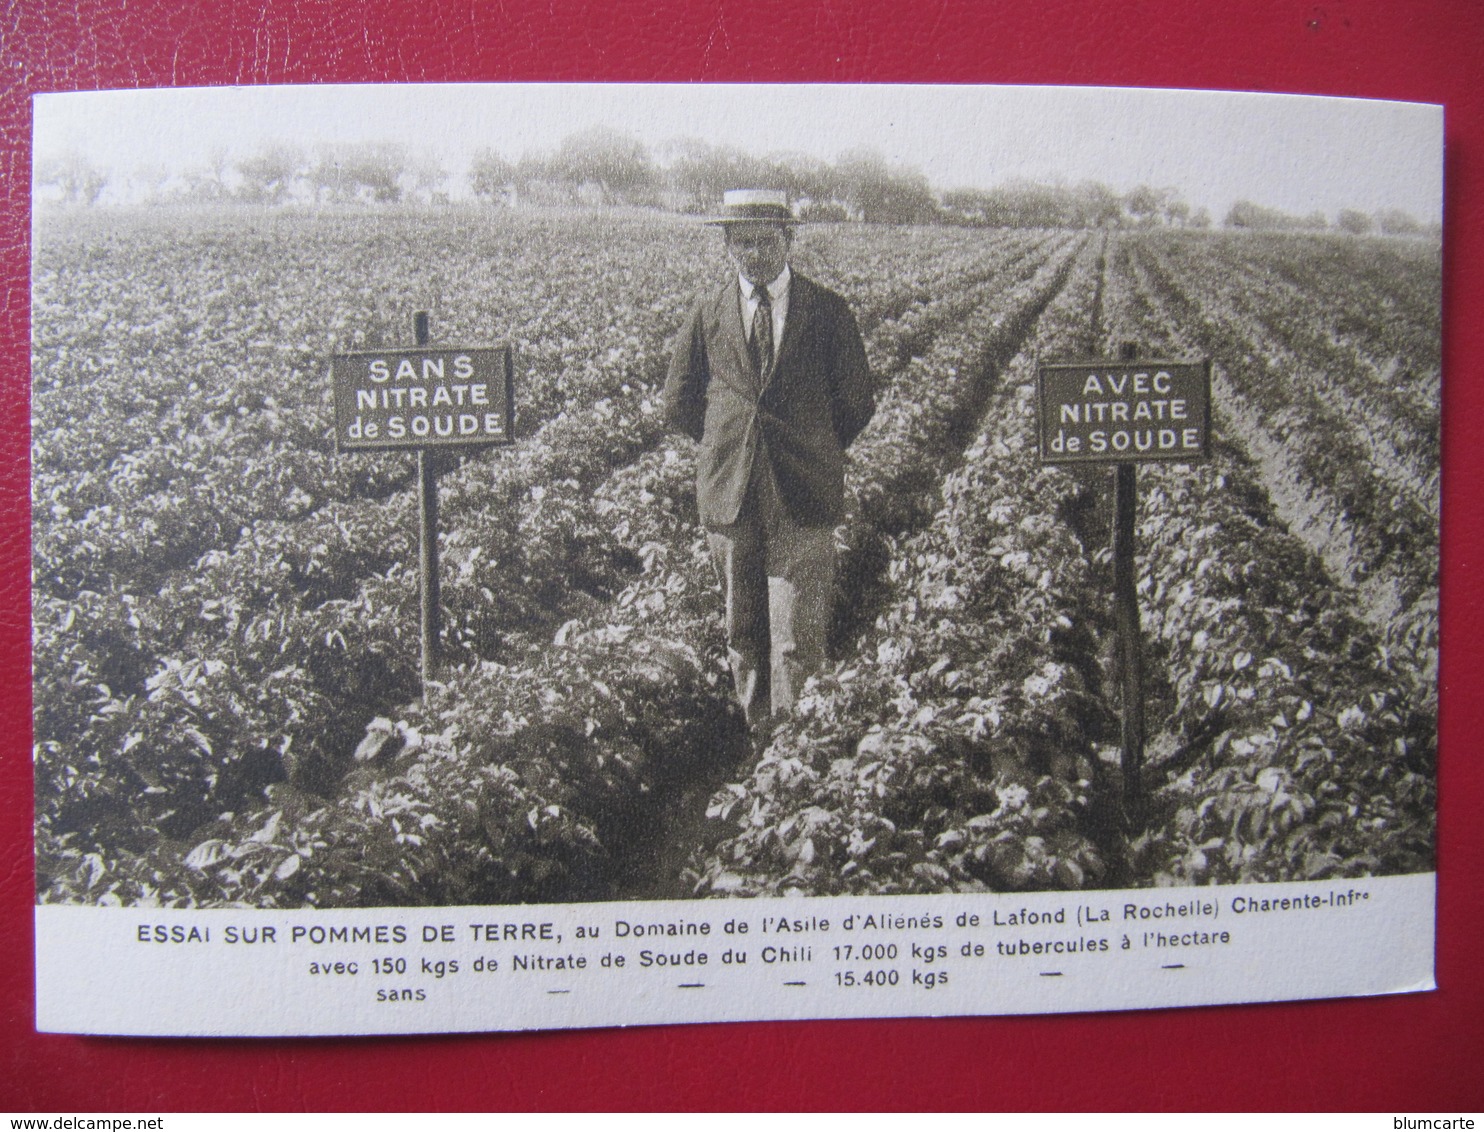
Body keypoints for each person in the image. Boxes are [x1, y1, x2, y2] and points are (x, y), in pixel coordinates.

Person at [663, 189, 875, 750]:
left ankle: (796, 744)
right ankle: (759, 740)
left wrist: (813, 448)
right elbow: (678, 401)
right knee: (744, 629)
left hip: (802, 494)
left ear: (788, 239)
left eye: (763, 240)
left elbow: (857, 402)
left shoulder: (827, 311)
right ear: (727, 246)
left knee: (797, 634)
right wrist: (724, 447)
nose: (752, 254)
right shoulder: (709, 313)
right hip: (730, 495)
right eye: (741, 243)